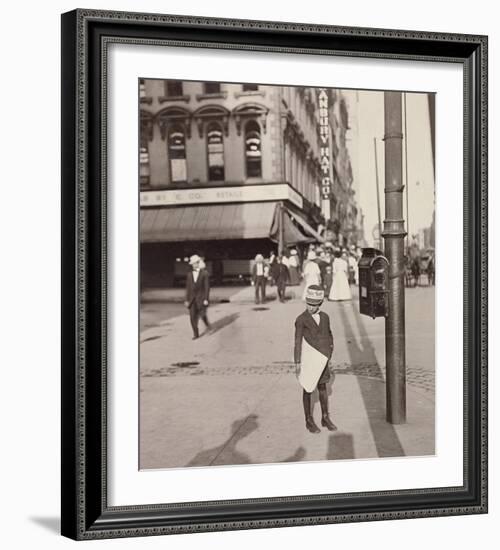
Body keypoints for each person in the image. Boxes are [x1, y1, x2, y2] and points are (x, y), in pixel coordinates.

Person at [294, 285, 336, 433]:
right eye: (308, 304)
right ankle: (308, 419)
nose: (311, 307)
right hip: (308, 359)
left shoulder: (325, 317)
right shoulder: (301, 319)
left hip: (322, 358)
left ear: (320, 304)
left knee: (323, 387)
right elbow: (297, 341)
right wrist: (298, 362)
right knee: (308, 387)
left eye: (314, 304)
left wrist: (329, 352)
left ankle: (325, 417)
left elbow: (329, 334)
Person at [184, 254, 211, 340]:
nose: (192, 265)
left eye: (194, 263)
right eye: (192, 264)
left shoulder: (205, 274)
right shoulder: (189, 274)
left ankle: (207, 324)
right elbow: (188, 288)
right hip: (192, 299)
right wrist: (186, 299)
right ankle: (196, 334)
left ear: (198, 263)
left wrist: (206, 299)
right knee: (192, 317)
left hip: (201, 298)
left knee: (202, 315)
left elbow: (207, 287)